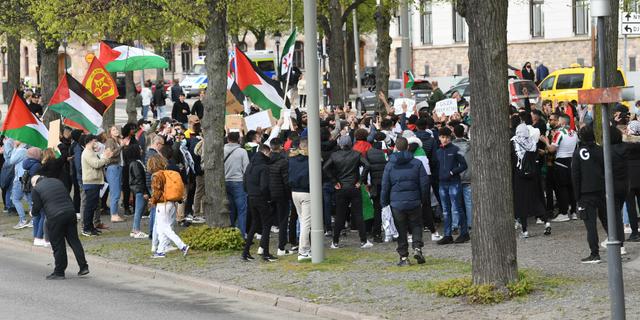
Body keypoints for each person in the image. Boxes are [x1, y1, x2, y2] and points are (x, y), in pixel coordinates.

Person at [381, 137, 429, 266]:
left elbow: (385, 186)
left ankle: (403, 257)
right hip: (414, 200)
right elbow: (424, 184)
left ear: (395, 147)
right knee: (416, 225)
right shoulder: (417, 163)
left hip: (396, 203)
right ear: (408, 147)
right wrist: (423, 200)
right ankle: (417, 247)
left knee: (400, 229)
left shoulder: (390, 165)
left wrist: (384, 202)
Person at [30, 175, 89, 280]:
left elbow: (37, 207)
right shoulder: (57, 180)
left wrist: (32, 213)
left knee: (58, 244)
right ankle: (83, 266)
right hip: (70, 213)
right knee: (74, 240)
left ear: (35, 183)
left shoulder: (37, 189)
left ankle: (59, 272)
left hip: (55, 217)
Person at [323, 135, 372, 249]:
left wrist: (334, 181)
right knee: (358, 214)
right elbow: (367, 165)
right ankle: (363, 241)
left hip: (341, 187)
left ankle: (335, 242)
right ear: (351, 144)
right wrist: (360, 181)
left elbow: (325, 167)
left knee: (340, 215)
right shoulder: (356, 154)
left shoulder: (335, 155)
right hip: (354, 187)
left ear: (340, 144)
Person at [571, 126, 607, 263]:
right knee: (606, 220)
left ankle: (594, 253)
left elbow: (575, 176)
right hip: (601, 190)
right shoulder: (600, 150)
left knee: (590, 225)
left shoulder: (578, 152)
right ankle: (617, 246)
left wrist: (577, 197)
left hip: (586, 193)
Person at [147, 154, 189, 258]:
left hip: (162, 204)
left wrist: (152, 201)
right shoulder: (167, 174)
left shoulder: (157, 175)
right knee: (163, 229)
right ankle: (161, 251)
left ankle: (182, 245)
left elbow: (156, 193)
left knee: (164, 228)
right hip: (171, 202)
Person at [242, 144, 278, 262]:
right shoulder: (263, 167)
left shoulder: (250, 166)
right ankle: (266, 253)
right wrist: (268, 198)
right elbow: (264, 186)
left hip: (251, 197)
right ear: (266, 153)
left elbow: (244, 183)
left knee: (255, 224)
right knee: (266, 225)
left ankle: (246, 251)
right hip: (261, 198)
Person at [511, 124, 546, 238]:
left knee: (521, 202)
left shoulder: (513, 142)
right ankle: (546, 222)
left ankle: (525, 230)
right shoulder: (532, 143)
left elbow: (512, 160)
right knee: (535, 199)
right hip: (532, 175)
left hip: (519, 176)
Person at [541, 113, 578, 222]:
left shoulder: (559, 133)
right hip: (571, 161)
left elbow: (552, 149)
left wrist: (546, 141)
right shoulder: (574, 133)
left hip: (560, 163)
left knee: (562, 189)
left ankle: (563, 212)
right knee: (571, 188)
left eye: (558, 121)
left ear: (562, 122)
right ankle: (574, 212)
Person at [435, 127, 469, 245]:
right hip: (442, 184)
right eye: (443, 137)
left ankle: (464, 233)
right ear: (439, 137)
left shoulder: (455, 149)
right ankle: (447, 235)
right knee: (445, 210)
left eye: (447, 138)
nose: (444, 140)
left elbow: (464, 165)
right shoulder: (438, 151)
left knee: (458, 208)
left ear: (450, 138)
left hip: (454, 182)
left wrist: (452, 172)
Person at [81, 135, 113, 236]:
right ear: (90, 142)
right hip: (91, 182)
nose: (96, 143)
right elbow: (96, 164)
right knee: (89, 207)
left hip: (95, 181)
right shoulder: (87, 152)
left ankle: (91, 227)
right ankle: (86, 228)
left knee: (93, 205)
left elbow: (98, 163)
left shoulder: (92, 152)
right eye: (95, 141)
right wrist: (105, 157)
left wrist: (104, 157)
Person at [288, 139, 311, 261]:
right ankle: (303, 251)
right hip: (306, 192)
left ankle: (305, 248)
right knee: (306, 223)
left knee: (303, 221)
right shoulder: (310, 160)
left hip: (294, 192)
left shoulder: (291, 159)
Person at [268, 138, 291, 256]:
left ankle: (263, 246)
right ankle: (281, 247)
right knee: (283, 221)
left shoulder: (266, 160)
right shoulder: (283, 162)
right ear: (281, 146)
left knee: (267, 221)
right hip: (281, 194)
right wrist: (289, 194)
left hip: (269, 193)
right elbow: (286, 181)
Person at [224, 132, 250, 236]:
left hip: (225, 182)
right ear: (238, 139)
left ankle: (230, 232)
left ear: (228, 139)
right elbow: (246, 168)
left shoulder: (222, 150)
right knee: (242, 210)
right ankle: (241, 234)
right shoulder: (242, 152)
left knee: (230, 209)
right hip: (238, 182)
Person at [365, 132, 388, 243]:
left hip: (374, 184)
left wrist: (365, 183)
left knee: (376, 209)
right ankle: (389, 232)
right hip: (384, 183)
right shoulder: (385, 152)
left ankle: (376, 233)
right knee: (386, 207)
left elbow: (366, 169)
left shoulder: (368, 153)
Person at [452, 125, 472, 230]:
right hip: (468, 176)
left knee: (455, 202)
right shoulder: (470, 146)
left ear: (454, 133)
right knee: (469, 202)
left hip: (455, 176)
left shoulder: (451, 147)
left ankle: (455, 224)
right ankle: (470, 223)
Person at [127, 144, 149, 239]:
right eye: (139, 148)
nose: (141, 150)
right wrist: (144, 191)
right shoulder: (136, 163)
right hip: (140, 190)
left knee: (139, 210)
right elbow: (139, 178)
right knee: (138, 210)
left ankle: (134, 229)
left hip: (139, 189)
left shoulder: (136, 162)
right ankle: (136, 230)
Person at [10, 141, 30, 229]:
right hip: (24, 178)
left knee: (15, 199)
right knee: (28, 198)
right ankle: (34, 219)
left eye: (16, 139)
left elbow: (11, 160)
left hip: (19, 179)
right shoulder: (26, 150)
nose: (14, 140)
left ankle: (23, 220)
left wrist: (14, 147)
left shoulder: (21, 151)